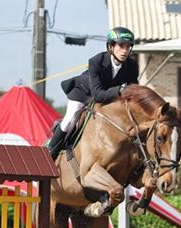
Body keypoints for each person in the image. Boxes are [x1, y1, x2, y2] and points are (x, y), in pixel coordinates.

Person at [47, 26, 139, 159]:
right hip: (84, 93)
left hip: (108, 96)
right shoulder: (96, 61)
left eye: (128, 47)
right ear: (111, 46)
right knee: (70, 119)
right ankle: (49, 153)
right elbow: (97, 95)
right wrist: (119, 90)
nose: (125, 51)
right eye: (121, 46)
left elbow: (133, 92)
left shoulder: (132, 66)